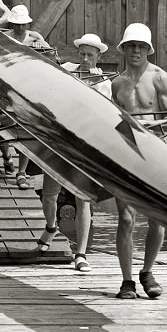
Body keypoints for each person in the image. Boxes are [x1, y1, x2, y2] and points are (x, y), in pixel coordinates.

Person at [110, 23, 167, 300]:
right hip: (126, 155)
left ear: (148, 49)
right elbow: (114, 121)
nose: (135, 50)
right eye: (131, 46)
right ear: (124, 49)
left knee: (156, 219)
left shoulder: (161, 78)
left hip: (155, 155)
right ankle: (127, 281)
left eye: (140, 46)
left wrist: (153, 136)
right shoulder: (117, 83)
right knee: (126, 219)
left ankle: (147, 272)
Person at [36, 33, 111, 272]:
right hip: (60, 139)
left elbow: (104, 115)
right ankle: (50, 227)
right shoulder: (66, 69)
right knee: (49, 194)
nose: (86, 58)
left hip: (84, 144)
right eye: (82, 54)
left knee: (83, 198)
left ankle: (80, 254)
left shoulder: (104, 82)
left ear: (99, 56)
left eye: (91, 55)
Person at [0, 4, 51, 188]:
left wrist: (40, 48)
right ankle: (5, 156)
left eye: (22, 24)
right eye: (16, 24)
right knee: (3, 129)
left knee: (26, 129)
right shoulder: (4, 37)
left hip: (28, 88)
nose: (19, 28)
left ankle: (22, 172)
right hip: (7, 87)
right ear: (11, 24)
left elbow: (51, 57)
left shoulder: (34, 38)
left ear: (27, 24)